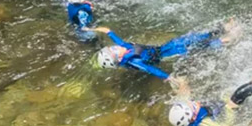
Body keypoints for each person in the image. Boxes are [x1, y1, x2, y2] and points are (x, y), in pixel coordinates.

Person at [90, 19, 241, 81]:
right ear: (117, 59)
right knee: (197, 47)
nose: (116, 48)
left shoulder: (122, 49)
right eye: (114, 52)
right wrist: (169, 78)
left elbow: (120, 41)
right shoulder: (134, 61)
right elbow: (150, 69)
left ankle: (222, 29)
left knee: (196, 37)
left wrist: (108, 31)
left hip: (168, 46)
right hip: (169, 54)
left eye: (112, 48)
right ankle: (225, 41)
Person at [168, 73, 252, 126]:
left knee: (226, 92)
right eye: (190, 106)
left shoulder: (184, 109)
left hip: (213, 110)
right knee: (236, 97)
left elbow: (184, 92)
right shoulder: (204, 125)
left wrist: (180, 82)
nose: (188, 103)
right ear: (192, 117)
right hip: (224, 119)